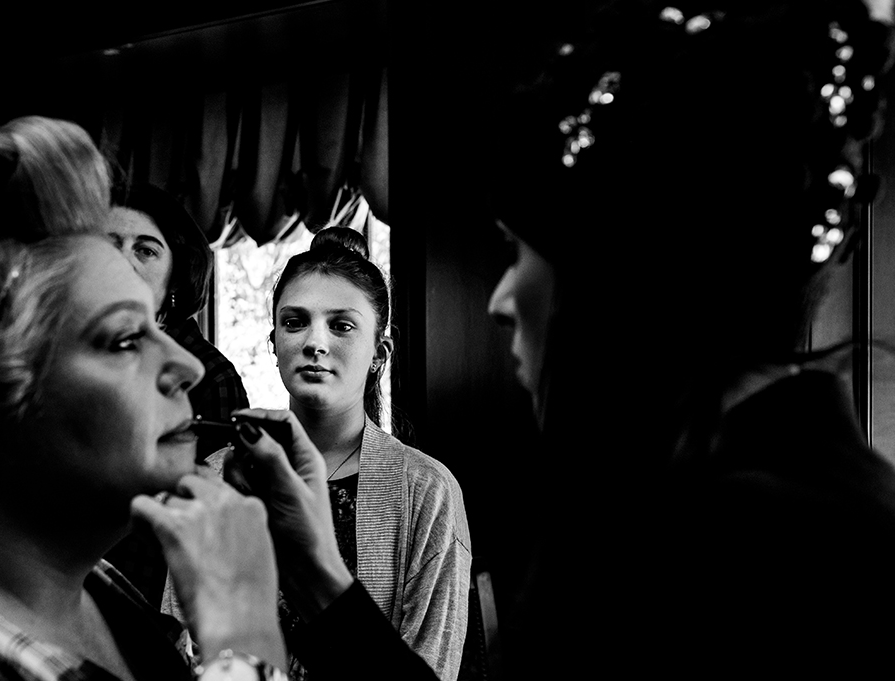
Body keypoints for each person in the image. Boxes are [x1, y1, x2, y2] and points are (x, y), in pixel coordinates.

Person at [145, 0, 895, 677]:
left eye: (520, 250)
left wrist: (239, 627)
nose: (501, 300)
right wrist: (316, 566)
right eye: (293, 321)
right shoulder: (788, 490)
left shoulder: (709, 545)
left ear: (621, 271)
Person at [0, 176, 287, 679]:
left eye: (156, 327)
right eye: (123, 340)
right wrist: (245, 642)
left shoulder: (94, 583)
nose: (188, 366)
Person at [163, 226, 472, 681]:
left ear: (379, 353)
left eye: (341, 325)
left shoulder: (425, 490)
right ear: (273, 342)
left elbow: (430, 666)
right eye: (294, 322)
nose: (314, 342)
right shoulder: (218, 475)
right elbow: (179, 645)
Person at [103, 183, 249, 606]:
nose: (123, 261)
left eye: (145, 250)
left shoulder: (209, 375)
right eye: (110, 245)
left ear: (174, 275)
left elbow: (216, 514)